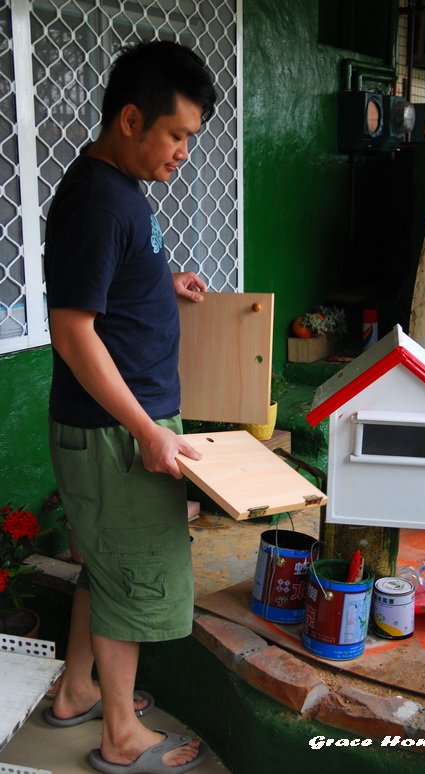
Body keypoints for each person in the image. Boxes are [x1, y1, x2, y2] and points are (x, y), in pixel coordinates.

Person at [43, 40, 217, 774]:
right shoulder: (95, 199)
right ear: (130, 118)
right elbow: (71, 329)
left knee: (110, 564)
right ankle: (119, 736)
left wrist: (158, 283)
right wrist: (146, 428)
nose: (182, 153)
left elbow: (102, 288)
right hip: (116, 433)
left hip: (119, 429)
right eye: (176, 136)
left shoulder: (118, 187)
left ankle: (76, 691)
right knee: (136, 573)